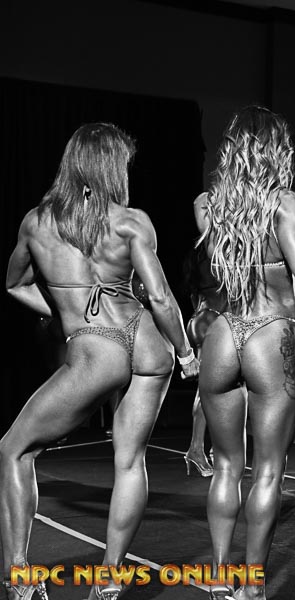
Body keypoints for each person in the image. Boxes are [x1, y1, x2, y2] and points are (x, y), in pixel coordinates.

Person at [2, 123, 200, 600]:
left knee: (12, 450)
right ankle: (109, 579)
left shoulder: (38, 223)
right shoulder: (132, 221)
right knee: (130, 462)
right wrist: (186, 353)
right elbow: (160, 296)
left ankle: (19, 580)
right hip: (148, 344)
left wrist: (66, 312)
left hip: (96, 350)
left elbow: (14, 284)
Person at [194, 106, 295, 600]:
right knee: (269, 472)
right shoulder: (285, 203)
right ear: (277, 150)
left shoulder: (206, 205)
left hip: (223, 333)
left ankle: (219, 577)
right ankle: (252, 588)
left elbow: (215, 271)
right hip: (270, 333)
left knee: (225, 467)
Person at [183, 246, 228, 477]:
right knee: (208, 391)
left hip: (199, 318)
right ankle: (197, 449)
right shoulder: (218, 258)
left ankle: (209, 448)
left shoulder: (198, 259)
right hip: (213, 318)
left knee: (210, 389)